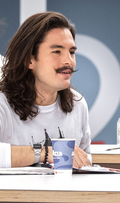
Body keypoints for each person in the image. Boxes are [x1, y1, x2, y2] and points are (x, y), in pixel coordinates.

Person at [0, 11, 92, 169]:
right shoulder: (3, 103)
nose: (68, 61)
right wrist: (46, 153)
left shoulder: (78, 104)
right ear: (29, 59)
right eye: (57, 51)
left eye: (72, 52)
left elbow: (86, 161)